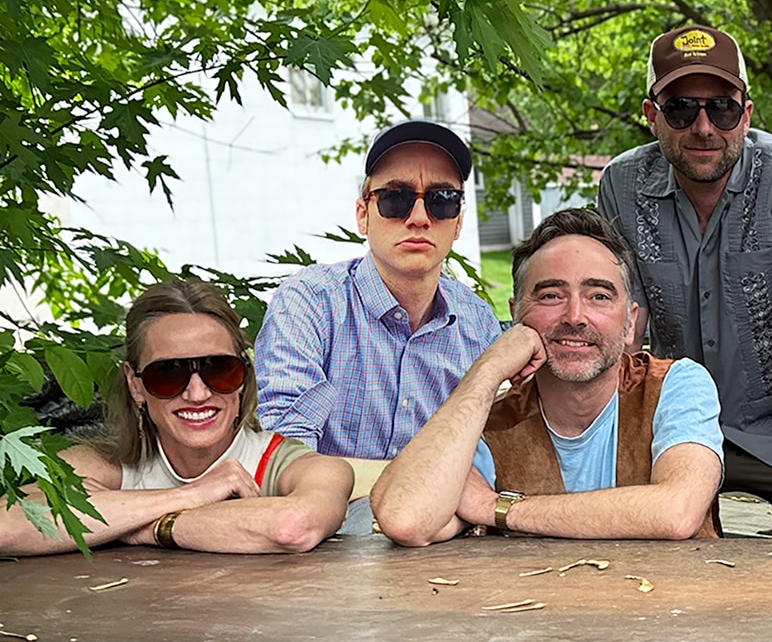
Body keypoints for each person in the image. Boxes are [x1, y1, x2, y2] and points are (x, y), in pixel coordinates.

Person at [598, 24, 772, 538]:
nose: (705, 127)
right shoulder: (621, 184)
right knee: (629, 544)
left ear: (747, 114)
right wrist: (615, 456)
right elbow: (626, 332)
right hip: (673, 425)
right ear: (652, 117)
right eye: (682, 109)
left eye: (724, 108)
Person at [371, 209, 724, 545]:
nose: (575, 316)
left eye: (599, 296)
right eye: (551, 295)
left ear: (631, 321)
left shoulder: (675, 386)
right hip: (530, 607)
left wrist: (496, 508)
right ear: (515, 314)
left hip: (668, 604)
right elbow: (406, 519)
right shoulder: (488, 422)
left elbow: (678, 511)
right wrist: (489, 369)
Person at [254, 119, 503, 533]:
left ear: (458, 222)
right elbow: (285, 460)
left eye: (442, 200)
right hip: (326, 545)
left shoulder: (476, 320)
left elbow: (490, 454)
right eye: (395, 199)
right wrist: (423, 488)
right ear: (363, 215)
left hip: (447, 545)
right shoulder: (309, 304)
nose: (420, 217)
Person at [0, 280, 352, 556]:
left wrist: (138, 528)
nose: (197, 393)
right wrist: (192, 494)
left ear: (244, 378)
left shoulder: (301, 468)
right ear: (135, 385)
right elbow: (7, 525)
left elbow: (292, 525)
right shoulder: (108, 463)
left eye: (220, 370)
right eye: (167, 373)